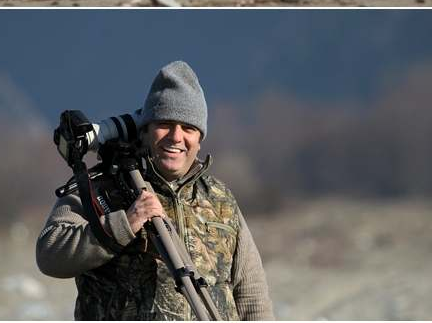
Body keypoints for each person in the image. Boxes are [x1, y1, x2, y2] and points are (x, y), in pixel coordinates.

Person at [35, 61, 273, 320]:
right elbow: (50, 254)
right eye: (165, 124)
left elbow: (251, 293)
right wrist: (125, 223)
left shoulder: (219, 198)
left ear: (200, 138)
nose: (176, 137)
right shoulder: (101, 188)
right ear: (145, 129)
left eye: (188, 128)